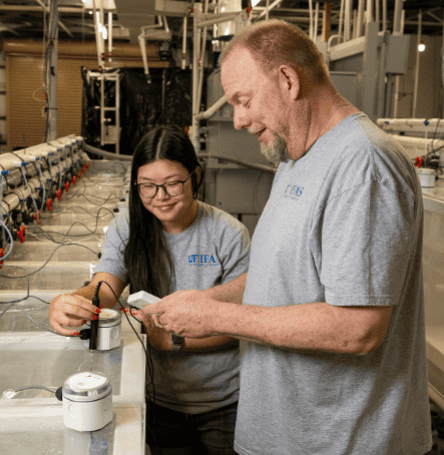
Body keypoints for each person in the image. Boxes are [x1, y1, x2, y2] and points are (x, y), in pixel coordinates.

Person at [143, 20, 432, 455]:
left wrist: (215, 319)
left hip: (338, 441)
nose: (238, 120)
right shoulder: (294, 157)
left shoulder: (363, 163)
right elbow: (274, 280)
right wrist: (202, 303)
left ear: (287, 80)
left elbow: (358, 328)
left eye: (243, 100)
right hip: (284, 434)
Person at [49, 125, 250, 454]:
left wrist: (174, 341)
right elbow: (106, 288)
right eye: (148, 186)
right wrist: (71, 300)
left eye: (172, 184)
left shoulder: (228, 234)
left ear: (195, 177)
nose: (161, 196)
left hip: (224, 402)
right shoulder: (128, 226)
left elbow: (245, 323)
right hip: (157, 399)